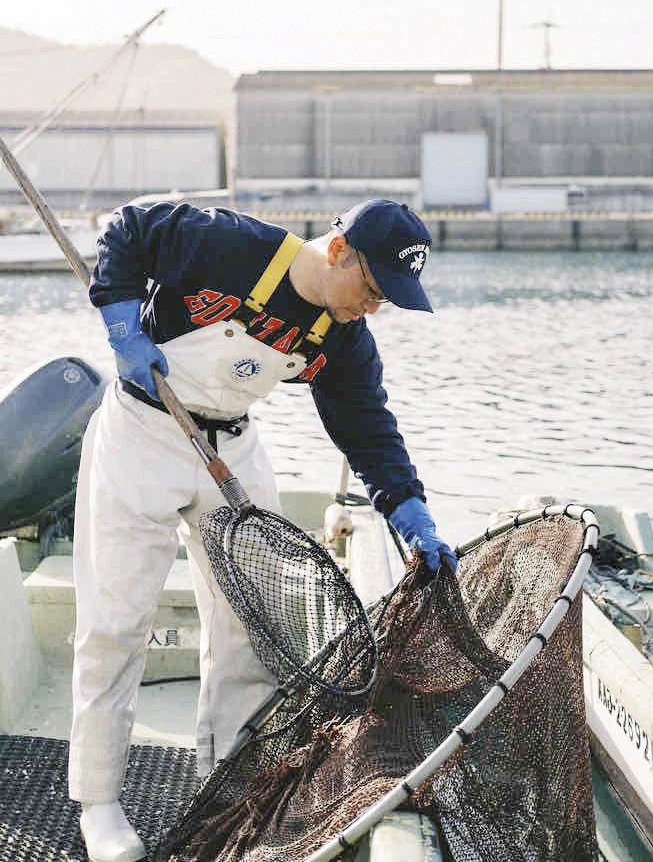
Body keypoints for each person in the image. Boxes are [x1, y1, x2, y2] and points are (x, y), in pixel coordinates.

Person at [69, 197, 457, 862]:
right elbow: (128, 231)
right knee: (115, 617)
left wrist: (406, 504)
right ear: (338, 250)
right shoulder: (231, 244)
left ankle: (224, 786)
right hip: (144, 428)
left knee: (247, 628)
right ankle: (99, 802)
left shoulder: (341, 339)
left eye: (386, 299)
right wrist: (121, 322)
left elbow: (367, 426)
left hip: (232, 449)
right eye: (371, 287)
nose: (373, 307)